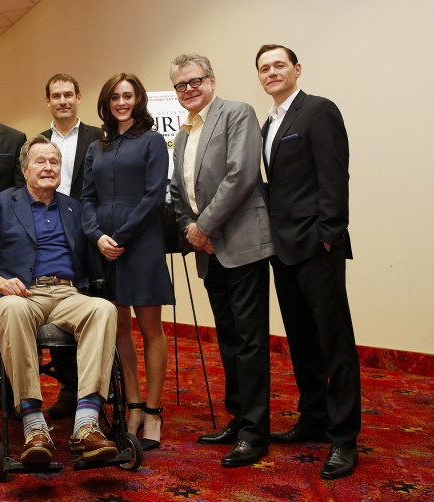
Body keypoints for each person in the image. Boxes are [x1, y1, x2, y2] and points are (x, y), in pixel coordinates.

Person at [0, 135, 118, 465]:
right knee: (9, 308)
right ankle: (34, 425)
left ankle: (87, 425)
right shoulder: (1, 204)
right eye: (41, 161)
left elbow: (93, 258)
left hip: (68, 293)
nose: (49, 167)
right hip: (23, 293)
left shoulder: (74, 207)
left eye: (54, 162)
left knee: (104, 308)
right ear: (24, 169)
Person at [256, 44, 361, 479]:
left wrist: (329, 236)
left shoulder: (318, 111)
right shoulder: (268, 123)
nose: (272, 72)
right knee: (302, 340)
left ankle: (344, 439)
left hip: (317, 247)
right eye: (264, 68)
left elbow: (335, 174)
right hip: (282, 250)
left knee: (334, 341)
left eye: (280, 64)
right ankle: (314, 419)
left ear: (297, 69)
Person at [168, 54, 273, 467]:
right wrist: (191, 227)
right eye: (181, 86)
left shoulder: (236, 113)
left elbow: (241, 175)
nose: (189, 89)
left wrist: (203, 227)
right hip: (208, 249)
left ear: (211, 80)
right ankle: (239, 417)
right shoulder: (182, 133)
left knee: (250, 340)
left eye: (195, 81)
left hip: (241, 244)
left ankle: (255, 432)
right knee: (228, 339)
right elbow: (178, 190)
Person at [81, 73, 175, 452]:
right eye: (115, 97)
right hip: (103, 246)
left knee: (150, 328)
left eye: (128, 95)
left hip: (142, 242)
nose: (122, 102)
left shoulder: (152, 141)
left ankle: (153, 411)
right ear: (106, 103)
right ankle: (133, 406)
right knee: (118, 328)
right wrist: (97, 236)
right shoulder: (97, 146)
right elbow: (86, 197)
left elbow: (155, 196)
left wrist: (121, 237)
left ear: (138, 100)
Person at [39, 73, 104, 419]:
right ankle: (69, 386)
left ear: (79, 97)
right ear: (47, 101)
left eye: (68, 94)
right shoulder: (37, 142)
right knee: (57, 310)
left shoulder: (100, 138)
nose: (62, 100)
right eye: (55, 95)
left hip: (90, 237)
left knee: (94, 306)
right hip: (48, 239)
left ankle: (96, 390)